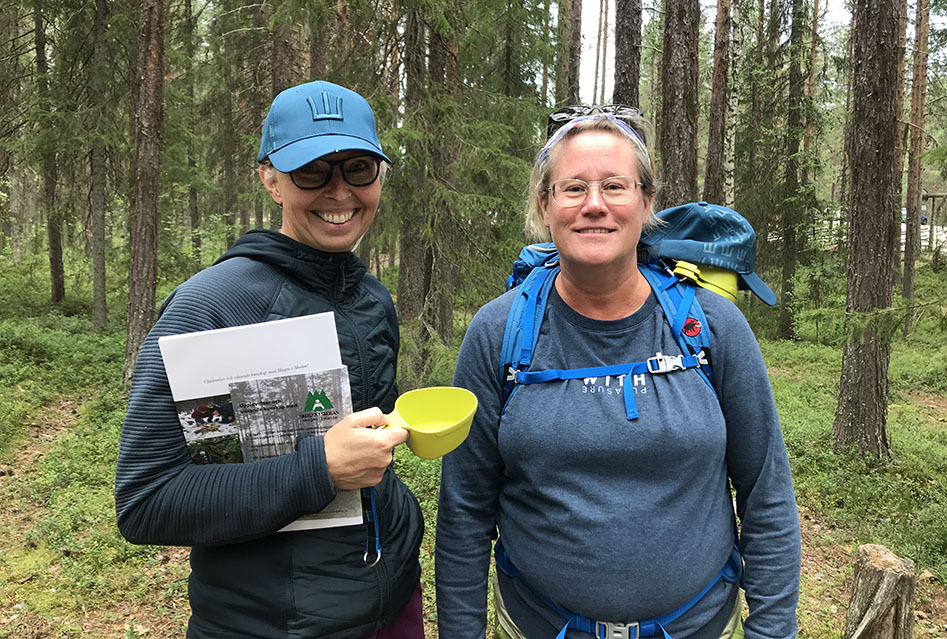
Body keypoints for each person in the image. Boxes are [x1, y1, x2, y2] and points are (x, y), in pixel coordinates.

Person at [435, 110, 800, 639]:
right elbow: (465, 511)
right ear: (545, 205)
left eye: (614, 186)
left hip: (697, 627)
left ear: (646, 202)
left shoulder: (713, 328)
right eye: (573, 188)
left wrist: (770, 631)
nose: (594, 204)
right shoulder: (499, 332)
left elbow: (766, 494)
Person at [115, 80, 424, 639]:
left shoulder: (372, 298)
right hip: (266, 626)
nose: (339, 192)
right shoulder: (211, 306)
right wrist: (319, 468)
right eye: (311, 171)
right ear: (270, 179)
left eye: (358, 168)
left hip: (395, 600)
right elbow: (148, 500)